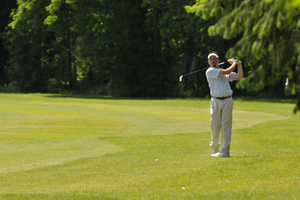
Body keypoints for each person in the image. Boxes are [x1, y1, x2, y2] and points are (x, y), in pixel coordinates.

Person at [205, 51, 244, 157]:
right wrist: (234, 63)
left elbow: (239, 76)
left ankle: (225, 151)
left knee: (226, 127)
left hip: (227, 100)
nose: (213, 60)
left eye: (214, 59)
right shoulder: (210, 71)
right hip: (215, 101)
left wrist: (239, 63)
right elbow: (227, 71)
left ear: (218, 60)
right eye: (211, 59)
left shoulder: (224, 72)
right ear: (209, 62)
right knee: (215, 126)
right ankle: (215, 147)